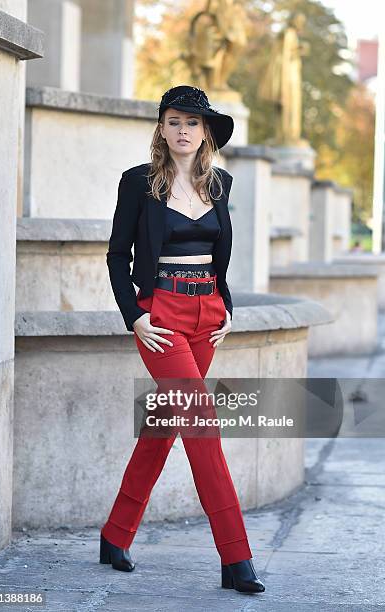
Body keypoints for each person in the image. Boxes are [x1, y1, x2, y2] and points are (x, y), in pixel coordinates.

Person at [99, 85, 265, 594]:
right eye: (173, 121)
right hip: (162, 318)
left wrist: (227, 308)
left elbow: (220, 256)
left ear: (205, 131)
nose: (183, 131)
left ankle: (115, 533)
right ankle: (236, 558)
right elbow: (116, 258)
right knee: (201, 427)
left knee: (164, 425)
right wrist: (134, 316)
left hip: (207, 314)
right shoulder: (138, 184)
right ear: (161, 127)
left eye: (192, 123)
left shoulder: (221, 184)